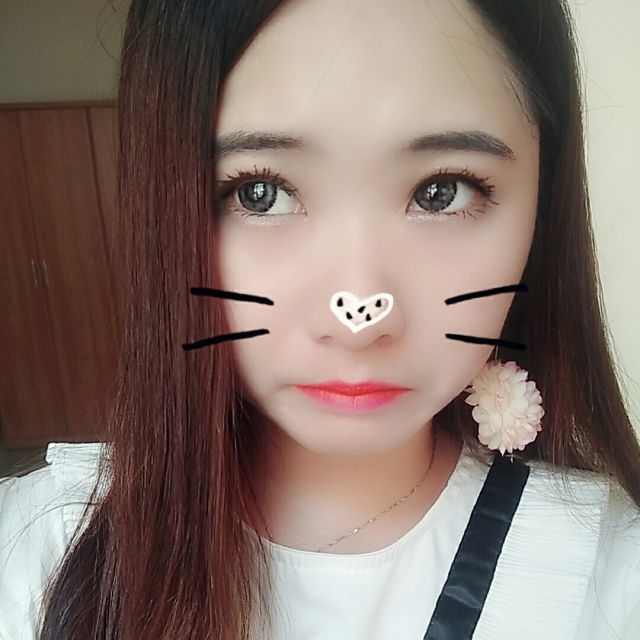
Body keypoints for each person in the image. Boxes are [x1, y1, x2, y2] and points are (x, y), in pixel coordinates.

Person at [1, 0, 639, 638]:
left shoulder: (605, 580)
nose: (357, 316)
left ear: (542, 202)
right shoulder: (34, 554)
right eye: (261, 194)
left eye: (441, 192)